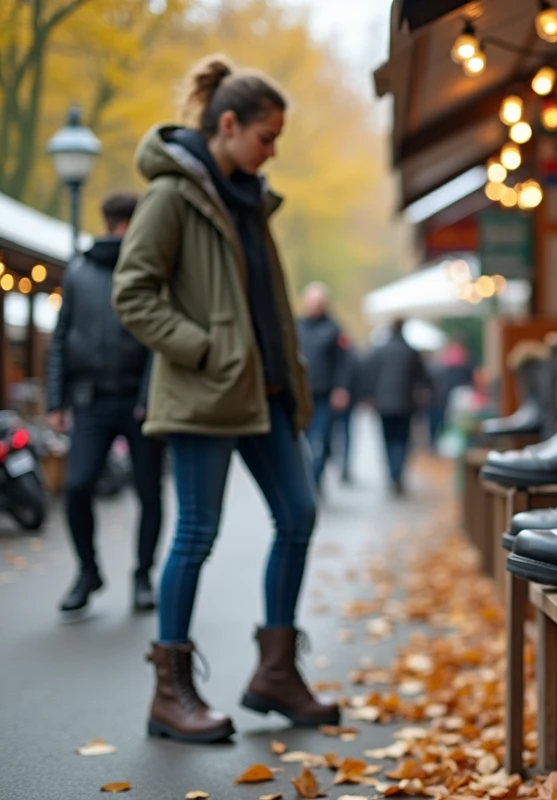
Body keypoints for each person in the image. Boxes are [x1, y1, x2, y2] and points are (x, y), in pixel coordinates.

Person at [113, 53, 337, 744]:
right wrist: (207, 348)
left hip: (265, 394)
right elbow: (133, 292)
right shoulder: (171, 196)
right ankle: (170, 692)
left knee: (298, 515)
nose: (272, 151)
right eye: (266, 137)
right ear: (229, 124)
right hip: (207, 394)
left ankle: (274, 673)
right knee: (196, 534)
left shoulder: (251, 198)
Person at [46, 190, 166, 617]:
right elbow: (62, 338)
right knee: (77, 486)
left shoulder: (152, 268)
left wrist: (152, 395)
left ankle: (142, 576)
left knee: (149, 491)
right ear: (130, 224)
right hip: (92, 401)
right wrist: (57, 399)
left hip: (140, 402)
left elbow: (160, 339)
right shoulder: (79, 272)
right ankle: (88, 571)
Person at [295, 283, 351, 487]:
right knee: (304, 442)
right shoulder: (296, 326)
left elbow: (343, 362)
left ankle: (314, 480)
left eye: (318, 302)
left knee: (322, 441)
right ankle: (307, 482)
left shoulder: (334, 329)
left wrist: (341, 388)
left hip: (325, 397)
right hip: (301, 394)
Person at [365, 319, 429, 494]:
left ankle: (392, 475)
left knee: (387, 441)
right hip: (405, 404)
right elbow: (423, 378)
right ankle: (398, 474)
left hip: (383, 404)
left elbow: (369, 374)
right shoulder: (411, 351)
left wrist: (370, 396)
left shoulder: (380, 350)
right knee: (401, 440)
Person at [427, 336, 474, 447]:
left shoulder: (446, 358)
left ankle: (448, 445)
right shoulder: (465, 357)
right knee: (457, 422)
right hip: (459, 394)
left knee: (450, 421)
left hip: (449, 394)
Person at [330, 342, 362, 484]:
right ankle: (342, 465)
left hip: (337, 399)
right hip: (343, 399)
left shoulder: (346, 358)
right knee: (342, 434)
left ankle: (341, 464)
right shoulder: (351, 355)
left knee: (336, 433)